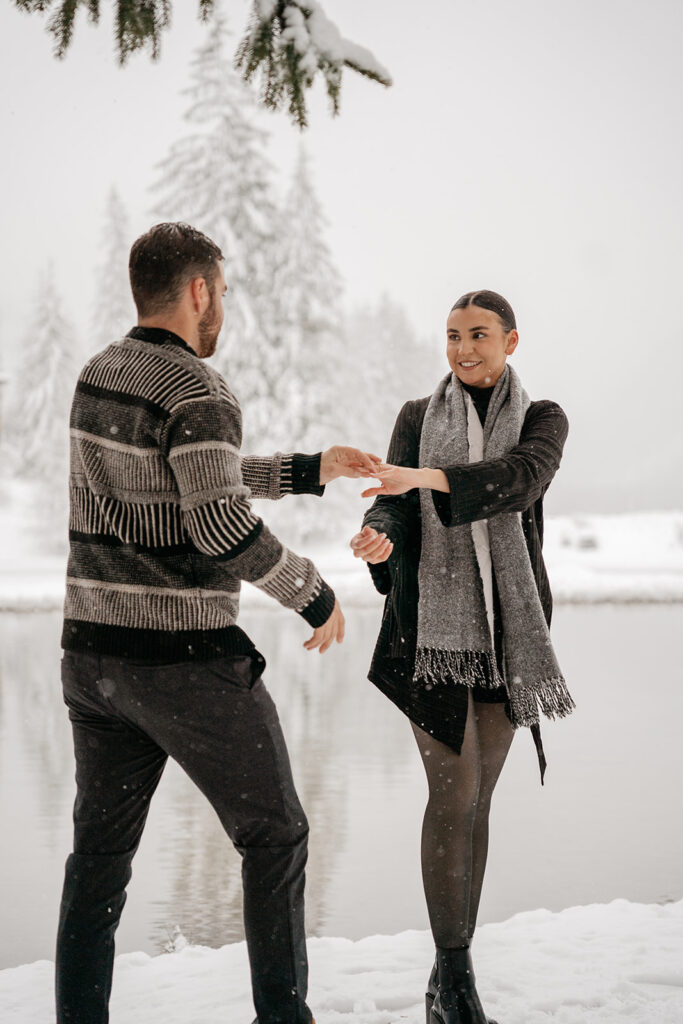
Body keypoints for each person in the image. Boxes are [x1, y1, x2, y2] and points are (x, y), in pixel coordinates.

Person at [56, 221, 379, 1024]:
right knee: (276, 837)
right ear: (198, 290)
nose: (222, 307)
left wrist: (309, 470)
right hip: (182, 663)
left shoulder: (100, 375)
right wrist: (313, 591)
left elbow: (190, 482)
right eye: (222, 292)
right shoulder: (198, 390)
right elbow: (218, 526)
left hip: (93, 659)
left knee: (98, 861)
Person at [350, 290, 575, 1024]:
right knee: (453, 795)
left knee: (477, 804)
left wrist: (429, 482)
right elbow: (391, 501)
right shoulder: (419, 417)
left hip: (507, 635)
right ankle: (455, 982)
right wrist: (379, 532)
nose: (462, 349)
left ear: (511, 341)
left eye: (478, 335)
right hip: (431, 636)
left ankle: (449, 976)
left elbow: (518, 480)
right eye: (451, 336)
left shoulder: (542, 420)